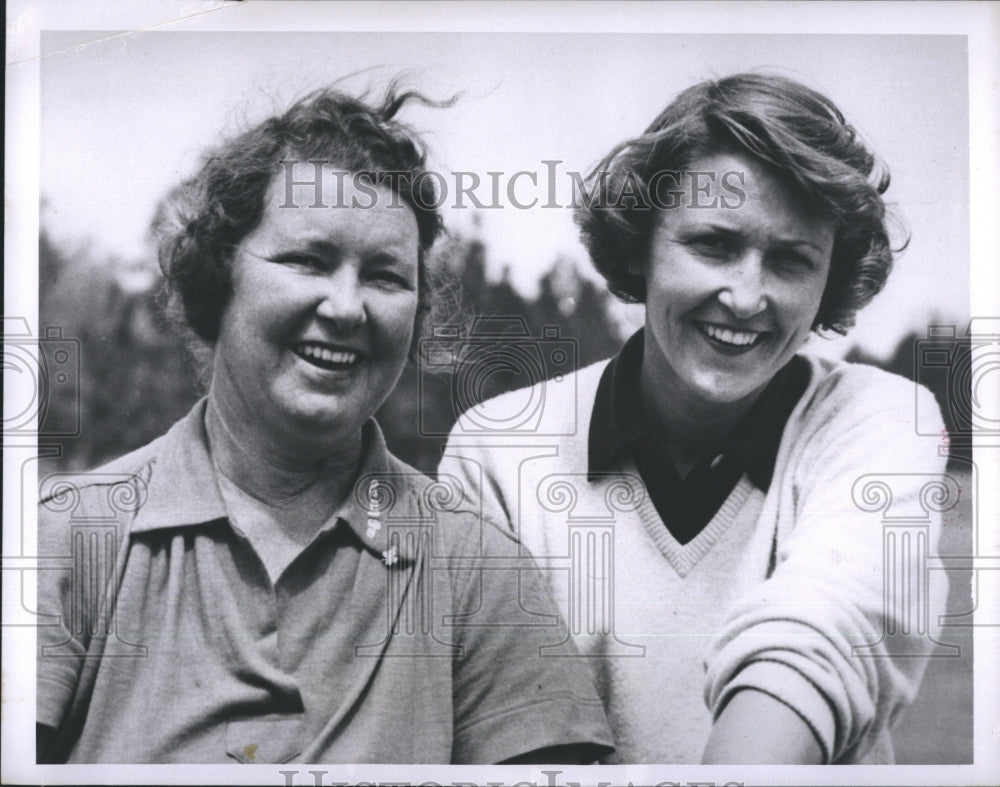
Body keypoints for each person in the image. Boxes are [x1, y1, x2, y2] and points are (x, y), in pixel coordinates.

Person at [36, 85, 613, 764]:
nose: (346, 307)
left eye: (385, 276)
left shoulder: (480, 570)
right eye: (307, 260)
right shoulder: (67, 537)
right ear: (215, 281)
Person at [439, 73, 950, 764]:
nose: (745, 295)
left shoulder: (878, 419)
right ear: (639, 246)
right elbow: (499, 732)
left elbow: (820, 631)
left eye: (791, 259)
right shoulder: (499, 447)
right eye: (712, 244)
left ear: (829, 280)